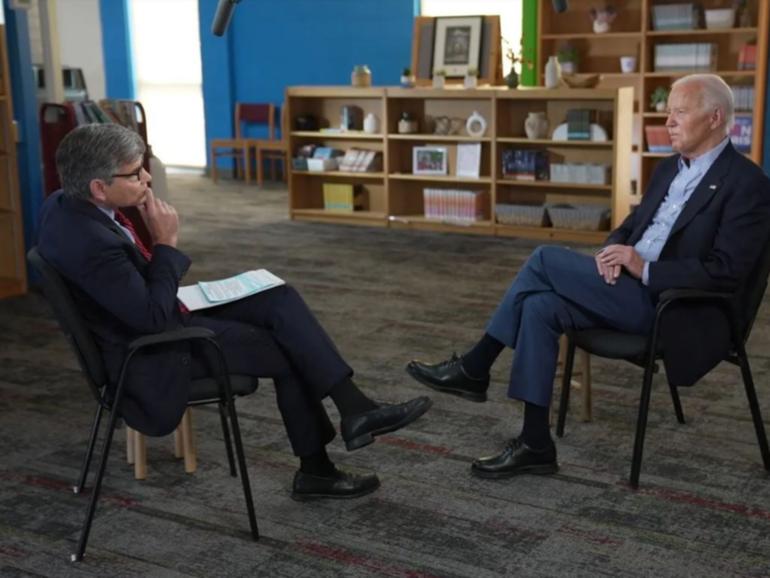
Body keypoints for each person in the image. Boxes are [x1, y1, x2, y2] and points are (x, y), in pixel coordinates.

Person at [37, 123, 431, 501]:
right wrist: (165, 243)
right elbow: (152, 319)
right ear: (98, 188)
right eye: (134, 174)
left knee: (278, 296)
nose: (146, 179)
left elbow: (134, 297)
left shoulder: (64, 204)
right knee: (291, 348)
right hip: (153, 355)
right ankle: (318, 468)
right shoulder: (92, 244)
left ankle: (354, 407)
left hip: (150, 318)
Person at [407, 73, 770, 479]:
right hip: (625, 287)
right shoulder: (669, 169)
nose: (668, 121)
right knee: (541, 307)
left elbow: (726, 271)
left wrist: (643, 267)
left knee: (544, 258)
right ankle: (535, 444)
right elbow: (631, 226)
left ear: (715, 117)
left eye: (679, 113)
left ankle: (475, 368)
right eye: (668, 112)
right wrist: (612, 253)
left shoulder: (748, 184)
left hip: (671, 306)